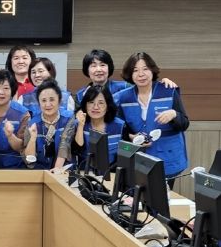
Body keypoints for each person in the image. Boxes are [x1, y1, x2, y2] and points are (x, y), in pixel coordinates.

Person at [116, 51, 189, 186]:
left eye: (145, 69)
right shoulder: (123, 97)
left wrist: (174, 114)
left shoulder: (168, 90)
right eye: (135, 70)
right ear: (130, 74)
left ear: (152, 70)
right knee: (141, 195)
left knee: (163, 196)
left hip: (168, 157)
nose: (141, 74)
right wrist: (131, 137)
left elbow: (184, 123)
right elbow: (120, 128)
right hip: (139, 158)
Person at [24, 80, 76, 171]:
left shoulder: (68, 118)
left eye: (52, 99)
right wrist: (33, 138)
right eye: (43, 100)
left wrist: (56, 170)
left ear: (59, 101)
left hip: (63, 171)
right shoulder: (32, 123)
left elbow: (65, 145)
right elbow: (29, 160)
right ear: (39, 103)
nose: (48, 104)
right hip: (40, 171)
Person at [0, 70, 30, 169]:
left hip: (14, 167)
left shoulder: (22, 114)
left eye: (6, 88)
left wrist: (10, 136)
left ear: (12, 91)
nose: (0, 92)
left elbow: (22, 147)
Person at [72, 85, 124, 170]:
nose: (95, 107)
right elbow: (78, 149)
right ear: (85, 105)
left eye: (101, 103)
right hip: (84, 172)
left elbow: (124, 157)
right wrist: (81, 126)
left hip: (111, 173)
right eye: (91, 102)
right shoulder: (78, 124)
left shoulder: (120, 126)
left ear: (108, 106)